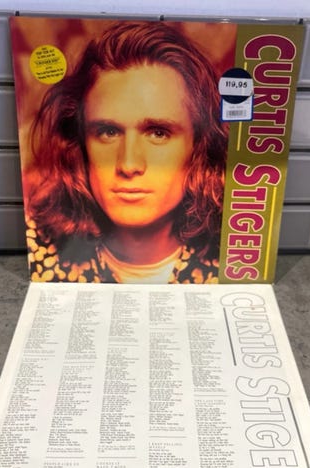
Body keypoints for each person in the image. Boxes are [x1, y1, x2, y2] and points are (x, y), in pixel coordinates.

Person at [24, 21, 228, 284]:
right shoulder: (36, 248)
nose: (129, 164)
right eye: (108, 132)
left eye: (158, 133)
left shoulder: (236, 255)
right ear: (80, 144)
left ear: (199, 146)